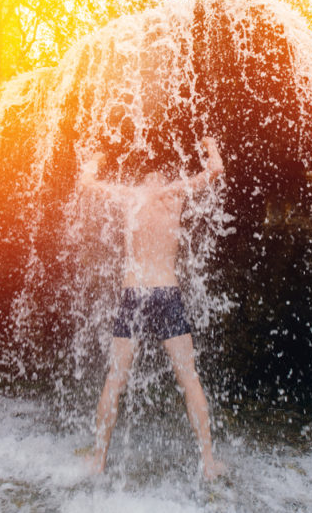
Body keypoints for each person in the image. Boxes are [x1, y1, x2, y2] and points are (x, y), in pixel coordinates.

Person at [79, 137, 226, 481]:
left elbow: (87, 184)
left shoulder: (131, 197)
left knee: (115, 379)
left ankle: (98, 462)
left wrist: (94, 157)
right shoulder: (175, 194)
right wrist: (210, 144)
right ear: (161, 179)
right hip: (166, 293)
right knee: (189, 378)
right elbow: (216, 170)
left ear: (144, 181)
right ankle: (208, 464)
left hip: (134, 293)